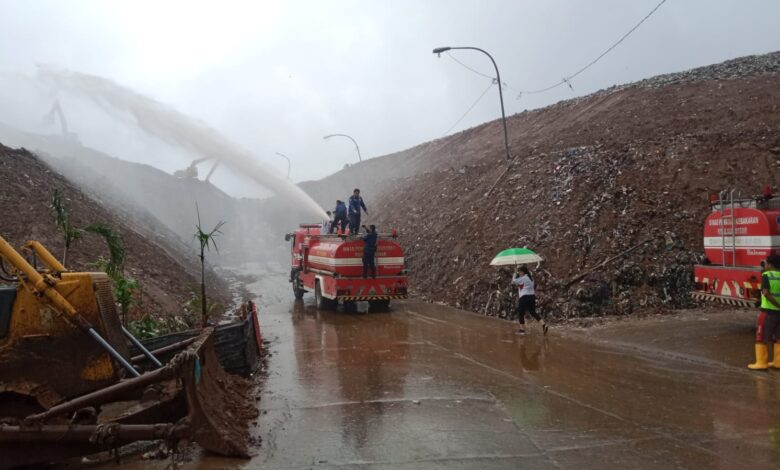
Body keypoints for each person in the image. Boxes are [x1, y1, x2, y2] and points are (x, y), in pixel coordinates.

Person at [748, 254, 780, 370]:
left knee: (761, 337)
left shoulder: (767, 275)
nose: (764, 266)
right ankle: (778, 362)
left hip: (768, 312)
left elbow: (766, 292)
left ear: (770, 265)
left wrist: (777, 304)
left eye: (766, 263)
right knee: (778, 337)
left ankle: (761, 363)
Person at [512, 265, 548, 335]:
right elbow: (520, 284)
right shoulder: (530, 278)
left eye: (519, 271)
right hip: (532, 297)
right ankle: (543, 324)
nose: (518, 273)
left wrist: (514, 273)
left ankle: (522, 329)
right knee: (532, 312)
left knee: (521, 313)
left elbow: (513, 281)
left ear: (522, 272)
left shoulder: (523, 278)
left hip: (524, 297)